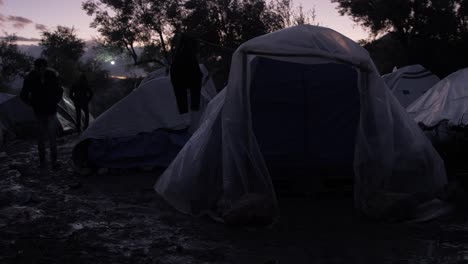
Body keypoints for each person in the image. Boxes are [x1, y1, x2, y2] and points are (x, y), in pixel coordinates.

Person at [20, 58, 63, 169]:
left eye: (43, 67)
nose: (41, 70)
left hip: (51, 111)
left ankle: (54, 161)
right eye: (39, 68)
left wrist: (54, 101)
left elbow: (60, 91)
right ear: (36, 67)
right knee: (41, 138)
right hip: (39, 112)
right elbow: (23, 95)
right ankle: (43, 162)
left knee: (52, 137)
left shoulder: (52, 76)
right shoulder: (30, 78)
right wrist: (33, 104)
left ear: (45, 67)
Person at [170, 33, 202, 114]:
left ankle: (186, 109)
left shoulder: (179, 54)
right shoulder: (187, 55)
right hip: (183, 75)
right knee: (187, 92)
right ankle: (192, 107)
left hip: (179, 75)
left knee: (181, 96)